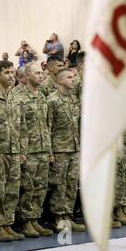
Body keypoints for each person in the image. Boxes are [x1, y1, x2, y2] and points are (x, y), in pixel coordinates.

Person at [0, 61, 27, 241]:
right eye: (7, 73)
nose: (11, 76)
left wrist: (23, 149)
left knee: (12, 190)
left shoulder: (16, 97)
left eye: (12, 72)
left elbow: (22, 125)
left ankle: (8, 224)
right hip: (0, 152)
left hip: (15, 151)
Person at [17, 63, 53, 237]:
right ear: (28, 75)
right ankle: (25, 222)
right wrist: (21, 151)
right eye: (37, 73)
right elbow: (18, 127)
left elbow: (47, 125)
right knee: (28, 188)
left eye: (42, 73)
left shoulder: (42, 96)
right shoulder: (19, 96)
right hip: (29, 150)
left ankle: (35, 219)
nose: (41, 76)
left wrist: (50, 151)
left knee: (40, 187)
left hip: (43, 149)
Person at [47, 68, 85, 232]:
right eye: (69, 77)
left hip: (74, 147)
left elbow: (78, 124)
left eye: (74, 77)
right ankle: (58, 217)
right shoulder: (52, 100)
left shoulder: (73, 99)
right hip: (59, 149)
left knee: (71, 183)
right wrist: (49, 152)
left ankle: (68, 215)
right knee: (59, 184)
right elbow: (47, 127)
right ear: (60, 80)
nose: (73, 80)